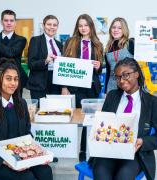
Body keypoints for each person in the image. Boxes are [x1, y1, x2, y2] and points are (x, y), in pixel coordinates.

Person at [0, 58, 53, 180]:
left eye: (16, 79)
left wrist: (37, 155)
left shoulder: (22, 103)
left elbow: (27, 133)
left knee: (45, 171)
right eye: (8, 78)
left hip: (19, 156)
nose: (13, 83)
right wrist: (5, 161)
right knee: (27, 177)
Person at [89, 57, 157, 180]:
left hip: (135, 154)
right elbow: (104, 125)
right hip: (109, 151)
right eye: (118, 77)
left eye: (126, 75)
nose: (121, 81)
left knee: (123, 176)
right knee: (100, 173)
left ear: (136, 74)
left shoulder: (151, 102)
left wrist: (142, 141)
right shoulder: (112, 96)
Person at [63, 14, 103, 161]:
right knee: (74, 118)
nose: (83, 28)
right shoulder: (70, 42)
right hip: (75, 88)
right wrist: (64, 86)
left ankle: (85, 151)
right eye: (80, 25)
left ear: (91, 26)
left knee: (90, 121)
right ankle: (72, 149)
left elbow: (100, 66)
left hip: (91, 88)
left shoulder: (97, 44)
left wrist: (99, 66)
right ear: (77, 27)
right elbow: (64, 65)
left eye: (86, 25)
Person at [27, 15, 63, 101]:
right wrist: (45, 61)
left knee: (55, 111)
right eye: (49, 24)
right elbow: (31, 64)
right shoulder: (35, 40)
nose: (52, 27)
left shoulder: (59, 44)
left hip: (56, 83)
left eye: (54, 25)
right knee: (40, 111)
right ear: (43, 26)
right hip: (40, 84)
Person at [105, 17, 134, 93]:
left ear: (124, 30)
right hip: (112, 85)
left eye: (119, 28)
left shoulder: (130, 43)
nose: (116, 30)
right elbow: (108, 72)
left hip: (128, 83)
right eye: (113, 27)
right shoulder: (108, 47)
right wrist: (105, 91)